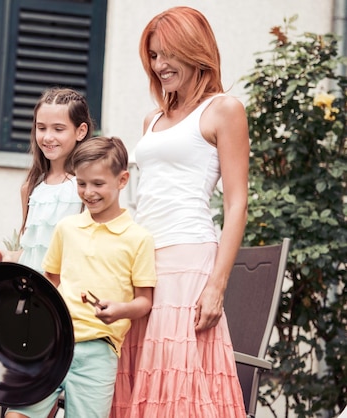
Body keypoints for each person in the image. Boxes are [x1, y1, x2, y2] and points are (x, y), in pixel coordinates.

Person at [110, 6, 249, 418]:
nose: (160, 65)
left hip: (189, 259)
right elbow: (140, 198)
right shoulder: (152, 119)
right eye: (153, 55)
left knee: (178, 387)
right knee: (140, 382)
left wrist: (217, 285)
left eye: (168, 53)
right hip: (142, 263)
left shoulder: (224, 109)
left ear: (195, 49)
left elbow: (236, 201)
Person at [6, 136, 157, 418]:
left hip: (98, 353)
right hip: (53, 343)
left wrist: (120, 310)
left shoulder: (139, 239)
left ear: (122, 180)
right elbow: (50, 282)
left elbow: (144, 302)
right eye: (82, 183)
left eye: (98, 184)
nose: (88, 192)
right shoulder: (67, 228)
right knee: (17, 415)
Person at [17, 87, 94, 273]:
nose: (48, 137)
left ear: (81, 131)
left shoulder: (87, 188)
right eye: (41, 128)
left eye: (58, 129)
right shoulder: (30, 188)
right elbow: (27, 251)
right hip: (32, 292)